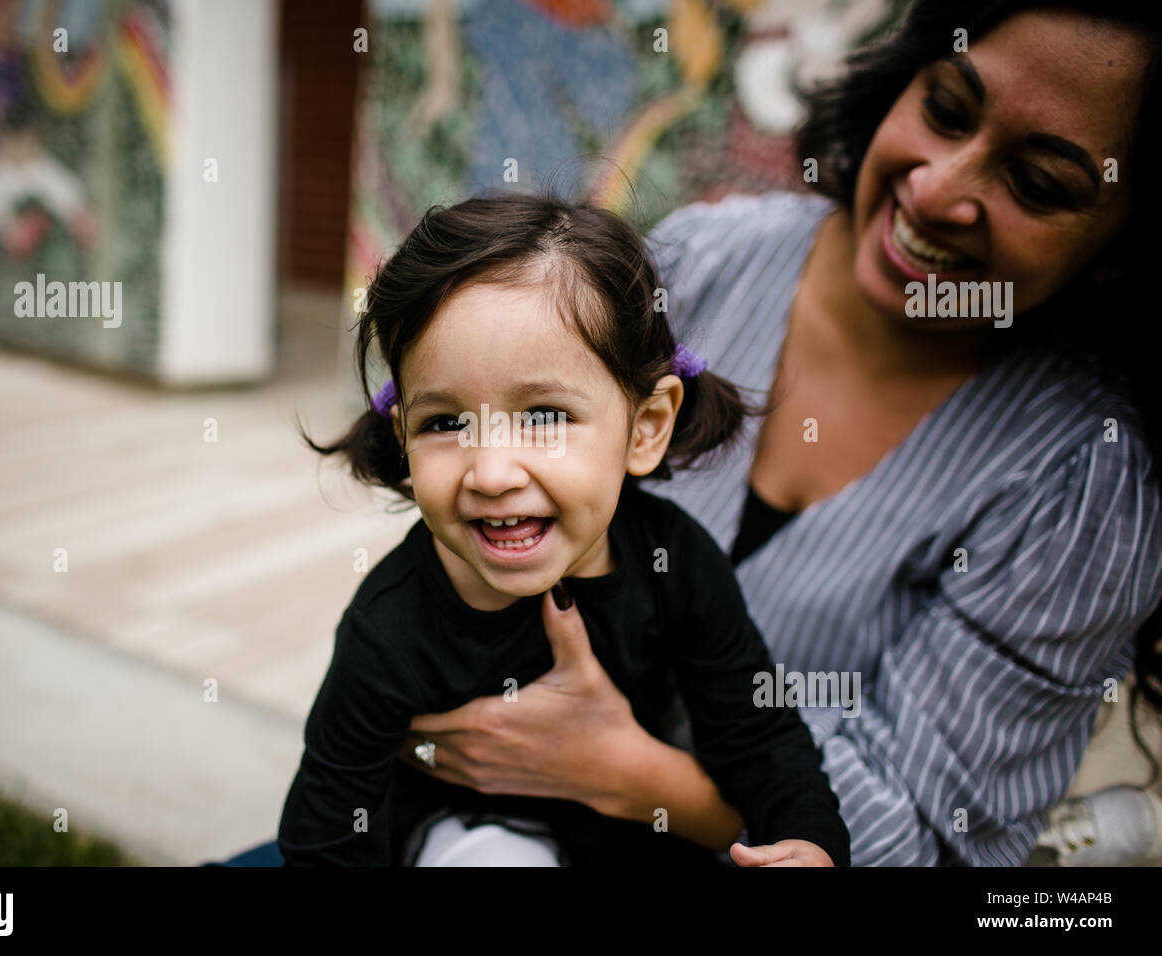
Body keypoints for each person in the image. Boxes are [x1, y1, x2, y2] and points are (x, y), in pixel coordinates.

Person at [391, 0, 1162, 867]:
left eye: (1037, 184)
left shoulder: (1082, 482)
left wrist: (629, 775)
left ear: (1123, 245)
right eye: (946, 110)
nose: (939, 189)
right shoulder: (703, 263)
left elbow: (931, 839)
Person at [276, 190, 851, 867]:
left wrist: (812, 843)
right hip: (469, 834)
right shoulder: (390, 627)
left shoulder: (678, 566)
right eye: (446, 423)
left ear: (646, 427)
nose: (491, 473)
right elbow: (327, 834)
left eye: (545, 417)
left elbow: (759, 734)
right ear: (403, 436)